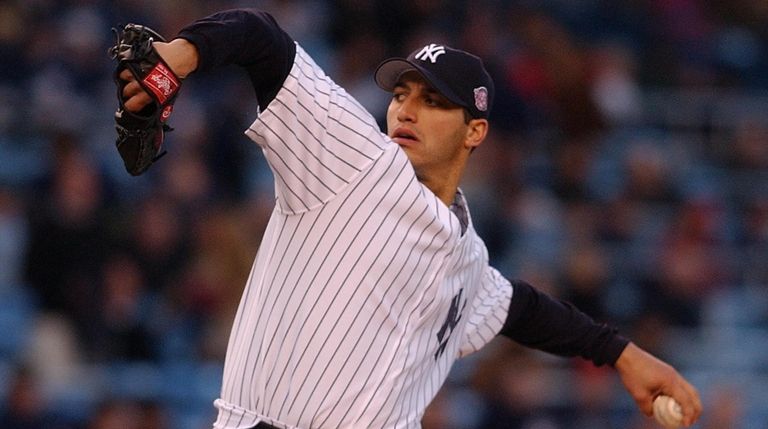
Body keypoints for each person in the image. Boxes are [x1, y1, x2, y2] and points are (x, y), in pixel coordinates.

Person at [118, 8, 703, 429]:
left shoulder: (464, 251)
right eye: (402, 94)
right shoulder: (358, 162)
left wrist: (624, 355)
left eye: (434, 100)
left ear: (475, 131)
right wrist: (176, 61)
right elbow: (260, 37)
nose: (405, 109)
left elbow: (519, 309)